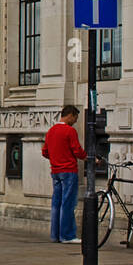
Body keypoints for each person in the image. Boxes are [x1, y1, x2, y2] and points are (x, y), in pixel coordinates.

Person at [42, 104, 86, 244]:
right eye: (75, 118)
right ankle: (67, 235)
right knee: (68, 203)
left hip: (55, 171)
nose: (75, 121)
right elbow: (77, 150)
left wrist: (56, 158)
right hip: (69, 171)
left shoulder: (51, 131)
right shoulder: (69, 131)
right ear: (70, 115)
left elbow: (45, 152)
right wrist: (90, 158)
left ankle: (55, 234)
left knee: (56, 203)